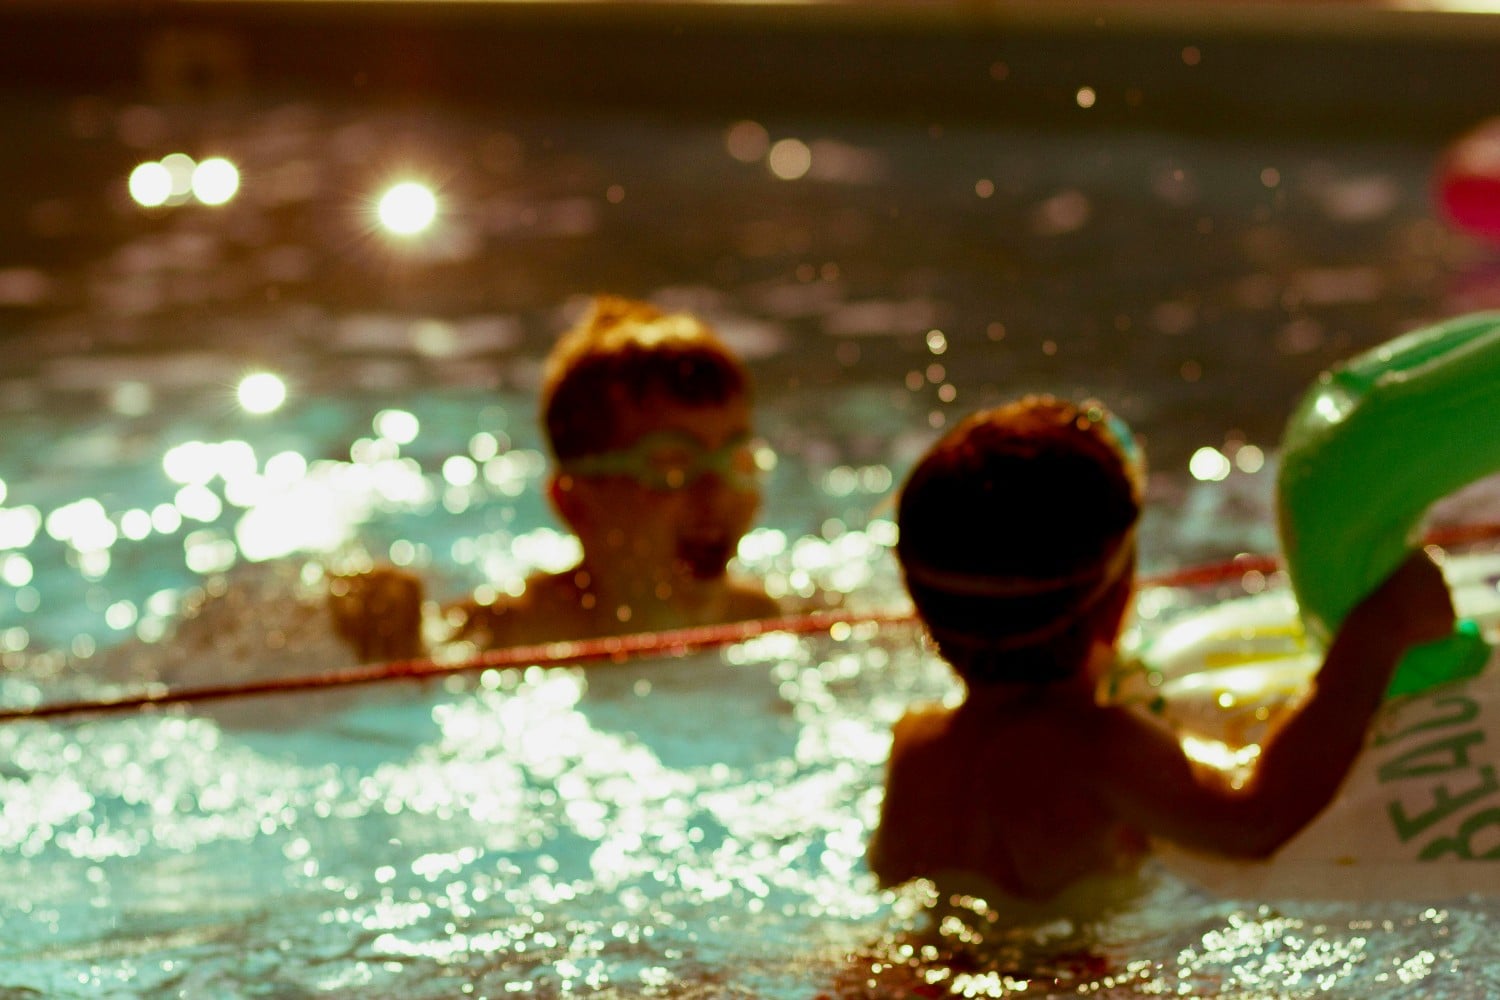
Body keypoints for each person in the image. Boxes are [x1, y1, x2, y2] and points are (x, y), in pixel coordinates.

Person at [867, 395, 1456, 904]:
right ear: (1116, 600)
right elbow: (1258, 822)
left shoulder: (916, 745)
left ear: (926, 613)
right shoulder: (1102, 748)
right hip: (1065, 980)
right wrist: (1374, 636)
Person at [330, 296, 780, 657]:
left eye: (736, 458)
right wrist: (378, 617)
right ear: (574, 503)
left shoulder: (772, 620)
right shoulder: (507, 636)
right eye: (672, 465)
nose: (716, 490)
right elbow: (404, 648)